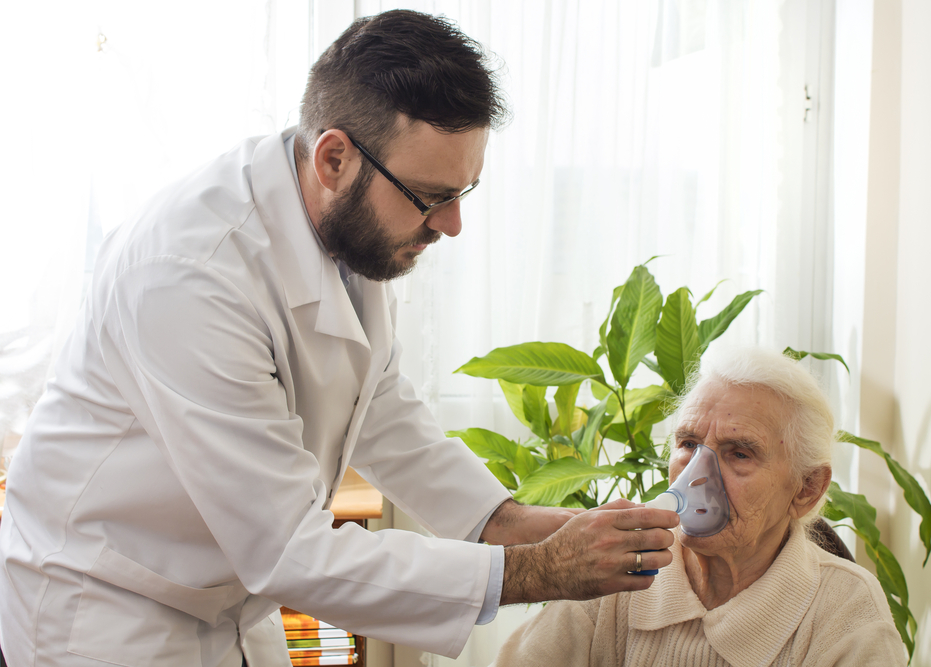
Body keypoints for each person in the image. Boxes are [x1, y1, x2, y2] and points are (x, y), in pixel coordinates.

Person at [0, 10, 678, 667]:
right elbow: (290, 549)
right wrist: (535, 570)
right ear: (333, 158)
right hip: (105, 608)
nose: (452, 224)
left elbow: (375, 401)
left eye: (465, 190)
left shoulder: (352, 224)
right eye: (431, 196)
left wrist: (506, 520)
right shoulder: (189, 274)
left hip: (227, 602)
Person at [493, 348, 909, 667]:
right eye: (688, 444)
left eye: (739, 453)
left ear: (806, 489)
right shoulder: (616, 567)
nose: (694, 475)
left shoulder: (846, 612)